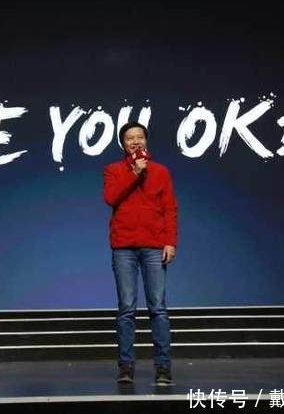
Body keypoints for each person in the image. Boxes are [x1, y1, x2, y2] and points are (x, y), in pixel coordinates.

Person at [103, 122, 178, 386]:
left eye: (139, 137)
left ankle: (163, 368)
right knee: (126, 308)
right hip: (124, 247)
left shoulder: (161, 171)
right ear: (123, 144)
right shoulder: (113, 170)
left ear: (146, 141)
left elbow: (170, 209)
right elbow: (111, 198)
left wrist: (170, 242)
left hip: (154, 246)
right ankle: (126, 367)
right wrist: (135, 172)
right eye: (129, 138)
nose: (135, 141)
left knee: (158, 307)